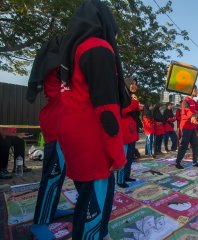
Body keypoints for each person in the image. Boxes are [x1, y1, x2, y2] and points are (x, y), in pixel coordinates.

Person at [58, 1, 127, 239]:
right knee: (94, 211)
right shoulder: (97, 47)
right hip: (92, 139)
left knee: (86, 200)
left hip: (73, 134)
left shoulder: (74, 48)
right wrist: (117, 154)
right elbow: (106, 109)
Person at [26, 36, 74, 240]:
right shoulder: (56, 70)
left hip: (62, 125)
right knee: (52, 175)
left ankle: (51, 210)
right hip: (56, 126)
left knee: (59, 174)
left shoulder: (62, 71)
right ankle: (39, 222)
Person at [117, 77, 142, 188]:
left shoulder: (132, 97)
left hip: (132, 130)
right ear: (127, 84)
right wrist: (133, 104)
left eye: (135, 84)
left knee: (130, 156)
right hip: (125, 131)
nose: (134, 85)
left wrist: (136, 105)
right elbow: (121, 112)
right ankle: (120, 180)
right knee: (124, 156)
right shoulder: (121, 96)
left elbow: (135, 112)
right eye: (132, 83)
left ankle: (126, 176)